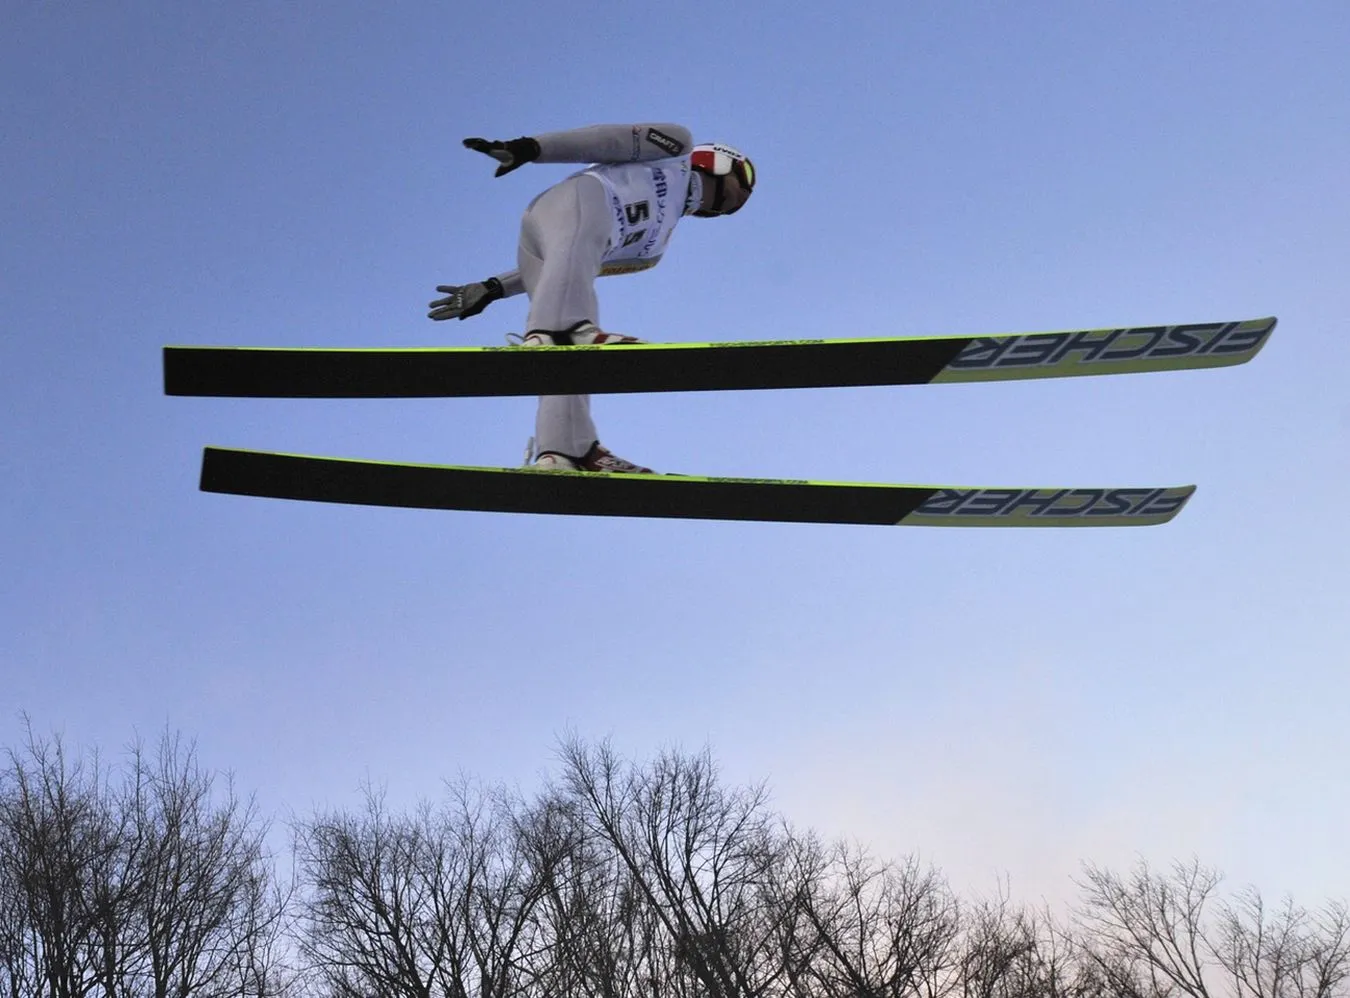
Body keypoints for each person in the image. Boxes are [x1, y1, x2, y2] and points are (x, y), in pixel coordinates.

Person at [428, 123, 756, 474]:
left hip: (546, 247)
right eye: (735, 188)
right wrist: (532, 148)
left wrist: (492, 287)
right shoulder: (675, 149)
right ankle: (562, 330)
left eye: (732, 206)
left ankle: (565, 452)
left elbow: (567, 268)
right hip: (579, 199)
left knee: (564, 360)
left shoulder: (653, 248)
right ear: (717, 160)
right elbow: (607, 142)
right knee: (567, 312)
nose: (724, 203)